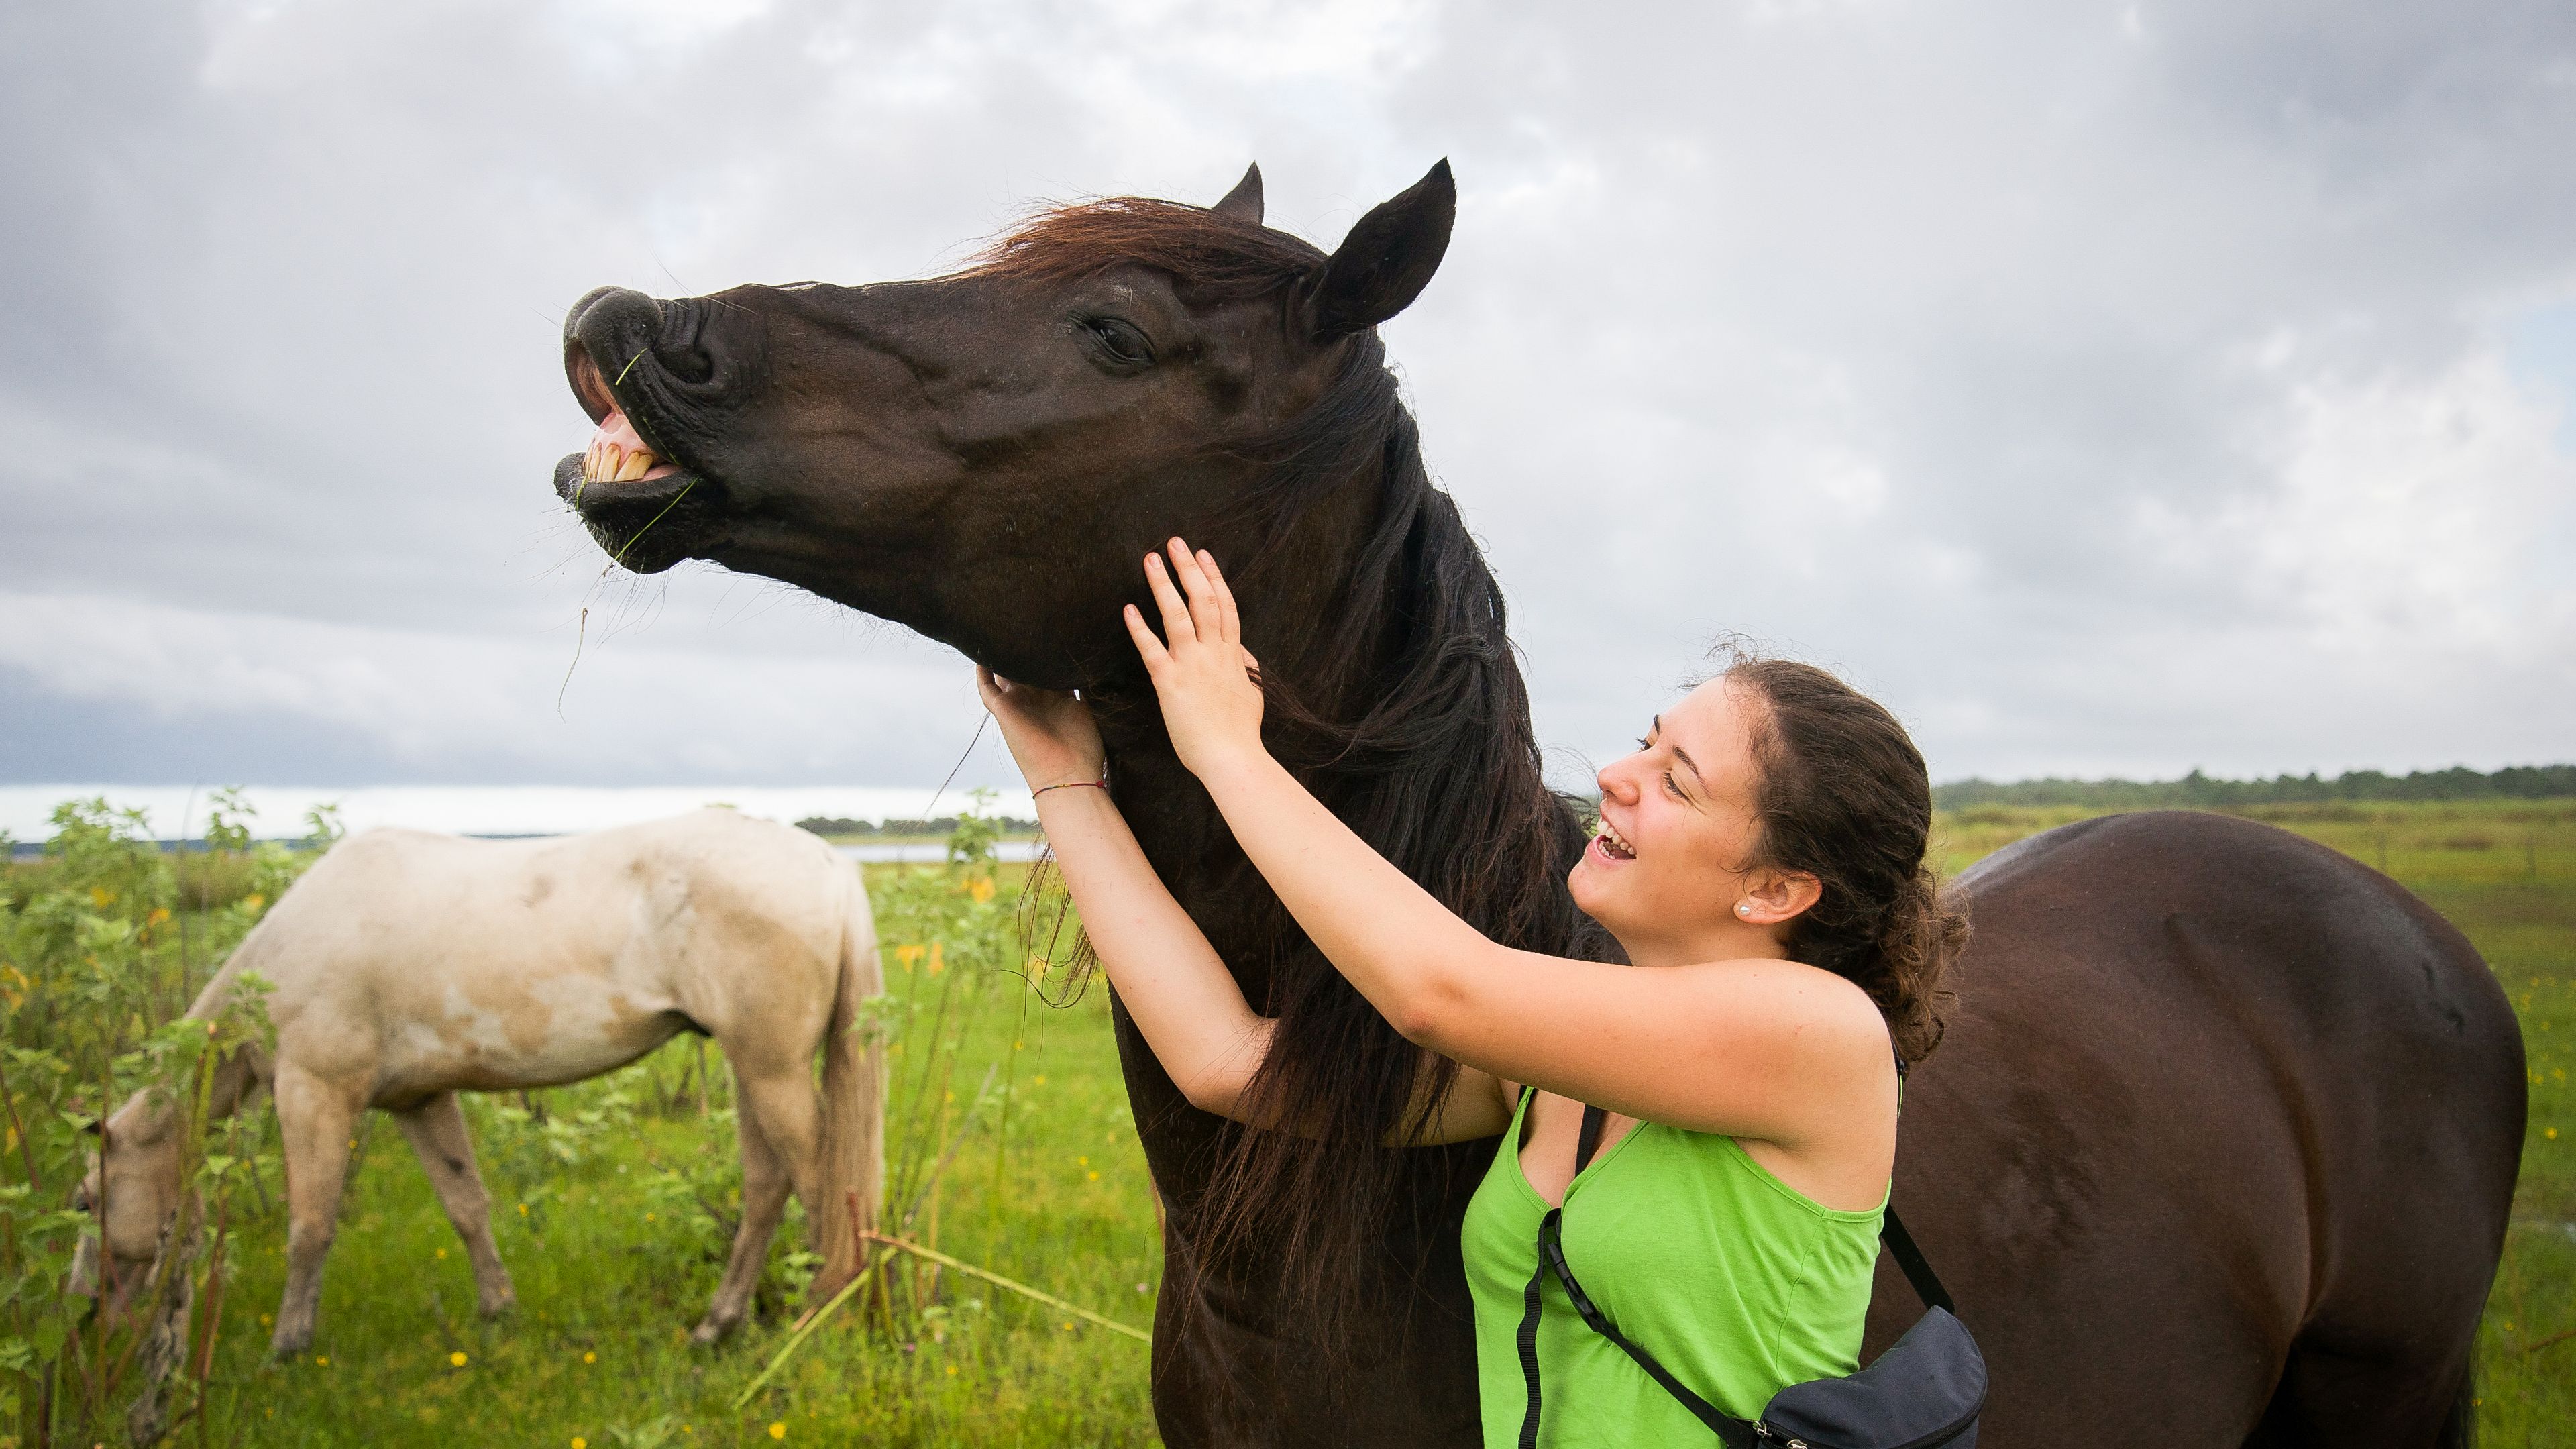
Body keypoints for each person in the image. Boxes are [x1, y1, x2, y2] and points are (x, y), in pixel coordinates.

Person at [978, 537, 1964, 1446]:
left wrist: (1230, 749)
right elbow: (1225, 1061)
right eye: (1646, 743)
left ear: (1776, 891)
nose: (1617, 776)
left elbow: (1439, 991)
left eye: (1679, 783)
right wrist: (1064, 783)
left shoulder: (1821, 1034)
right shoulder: (1555, 1076)